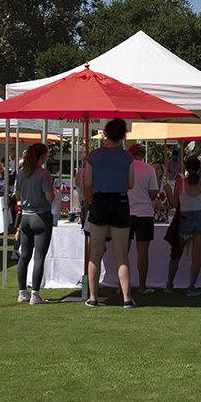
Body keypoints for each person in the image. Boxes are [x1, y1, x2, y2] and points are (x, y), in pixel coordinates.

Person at [82, 117, 136, 307]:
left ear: (105, 133)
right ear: (123, 135)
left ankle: (93, 298)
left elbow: (87, 183)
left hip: (99, 202)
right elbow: (130, 184)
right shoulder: (127, 157)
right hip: (121, 202)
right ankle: (127, 299)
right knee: (121, 254)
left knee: (95, 254)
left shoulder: (94, 156)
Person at [14, 142, 57, 305]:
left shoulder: (21, 173)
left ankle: (22, 292)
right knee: (39, 257)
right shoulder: (44, 173)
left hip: (25, 216)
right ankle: (35, 294)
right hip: (41, 217)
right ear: (42, 157)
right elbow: (49, 197)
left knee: (24, 255)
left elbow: (17, 196)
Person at [170, 156, 201, 295]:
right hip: (200, 218)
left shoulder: (179, 183)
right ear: (200, 168)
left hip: (184, 219)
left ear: (185, 168)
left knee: (177, 254)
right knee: (197, 255)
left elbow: (175, 204)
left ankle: (169, 284)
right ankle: (191, 286)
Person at [126, 143, 162, 297]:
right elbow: (153, 193)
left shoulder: (124, 167)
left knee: (123, 251)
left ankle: (122, 286)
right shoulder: (149, 169)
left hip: (126, 211)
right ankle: (142, 285)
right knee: (143, 251)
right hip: (144, 212)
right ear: (143, 154)